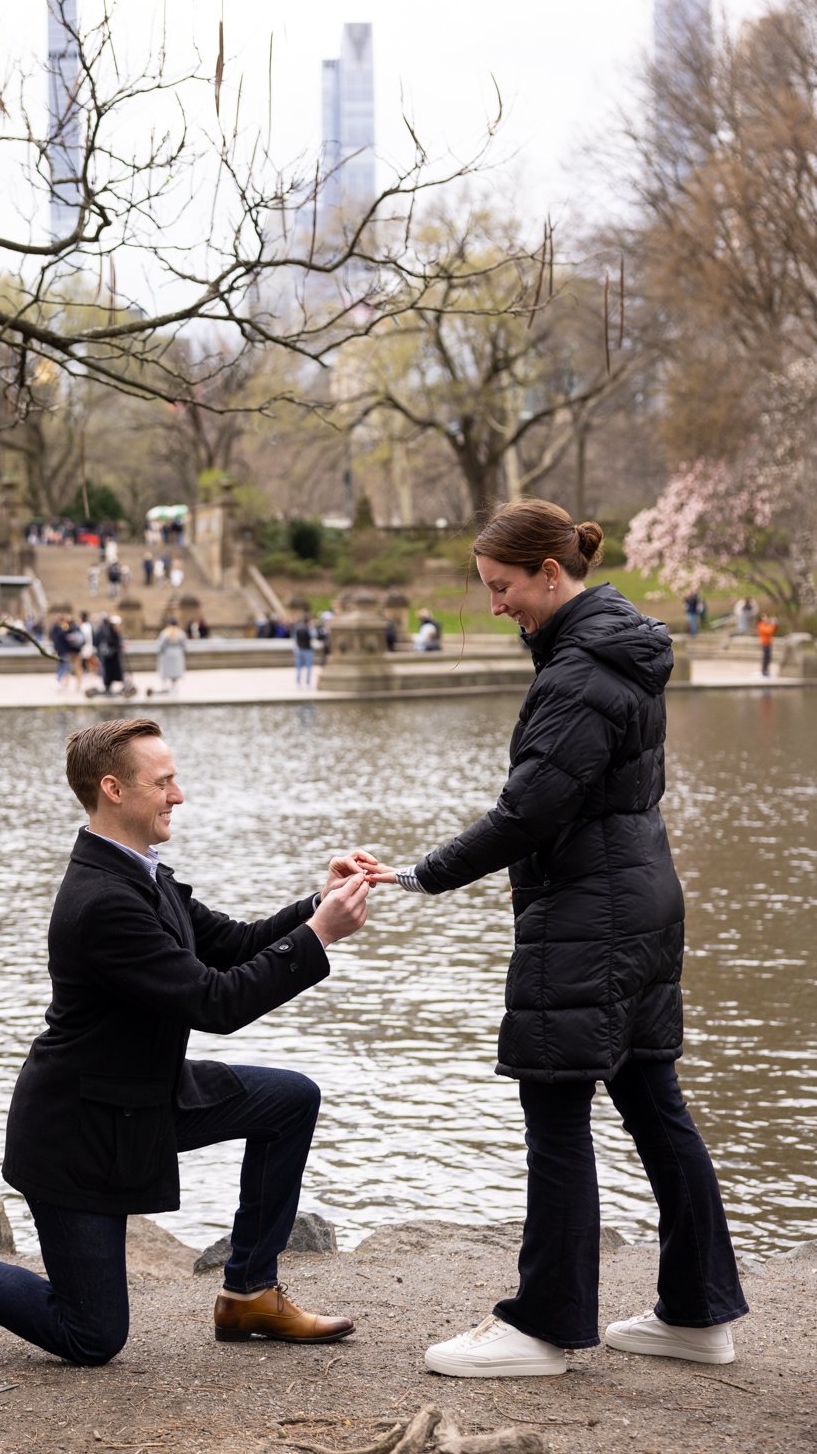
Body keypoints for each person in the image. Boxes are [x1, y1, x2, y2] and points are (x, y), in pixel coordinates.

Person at [359, 498, 747, 1379]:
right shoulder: (614, 651)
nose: (495, 606)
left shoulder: (577, 672)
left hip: (588, 911)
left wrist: (420, 873)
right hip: (640, 894)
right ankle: (696, 1314)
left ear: (548, 572)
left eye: (503, 588)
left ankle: (544, 1327)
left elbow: (526, 812)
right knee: (654, 1104)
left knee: (556, 1112)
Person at [0, 718, 370, 1364]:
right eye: (163, 782)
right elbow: (215, 1002)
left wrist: (316, 904)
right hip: (78, 1133)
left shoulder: (142, 872)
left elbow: (228, 945)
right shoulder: (103, 901)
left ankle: (250, 1292)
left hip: (147, 1097)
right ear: (113, 788)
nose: (179, 795)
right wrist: (320, 938)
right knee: (93, 1336)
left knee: (289, 1100)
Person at [94, 614, 125, 695]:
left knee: (117, 672)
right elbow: (104, 644)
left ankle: (119, 685)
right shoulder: (107, 633)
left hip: (114, 657)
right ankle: (107, 687)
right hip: (109, 657)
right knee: (108, 673)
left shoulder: (116, 633)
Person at [156, 618, 186, 695]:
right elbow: (184, 645)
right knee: (175, 674)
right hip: (177, 654)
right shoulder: (180, 633)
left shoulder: (164, 633)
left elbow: (161, 645)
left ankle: (165, 687)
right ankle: (174, 688)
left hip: (167, 654)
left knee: (166, 672)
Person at [292, 615, 315, 688]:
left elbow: (295, 639)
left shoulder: (298, 629)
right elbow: (314, 636)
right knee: (308, 667)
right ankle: (308, 683)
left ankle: (298, 683)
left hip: (299, 649)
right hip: (308, 649)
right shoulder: (309, 629)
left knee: (299, 667)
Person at [757, 611, 778, 676]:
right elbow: (768, 631)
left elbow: (773, 630)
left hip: (769, 643)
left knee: (768, 658)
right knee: (765, 658)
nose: (766, 618)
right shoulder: (761, 625)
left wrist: (775, 624)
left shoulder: (766, 625)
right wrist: (772, 625)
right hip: (765, 643)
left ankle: (767, 670)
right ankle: (764, 670)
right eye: (764, 617)